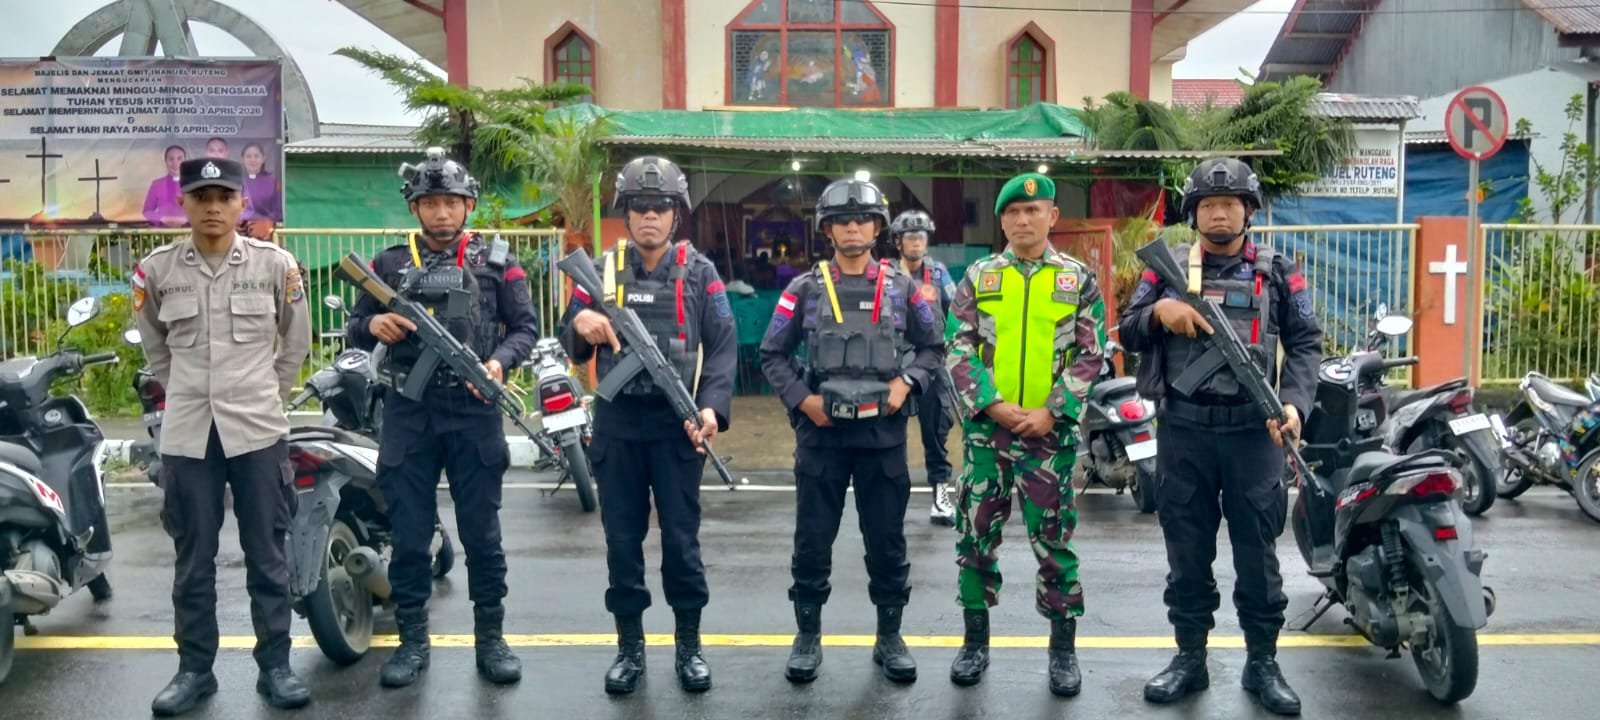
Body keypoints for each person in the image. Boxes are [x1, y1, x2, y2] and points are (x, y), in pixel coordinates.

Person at [1118, 157, 1322, 716]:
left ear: (1249, 211)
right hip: (1184, 434)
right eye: (1208, 205)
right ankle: (1190, 658)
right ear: (1194, 213)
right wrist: (1160, 312)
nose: (1219, 214)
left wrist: (1294, 405)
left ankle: (1263, 663)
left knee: (1258, 556)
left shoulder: (1278, 270)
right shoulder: (1166, 272)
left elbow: (1306, 343)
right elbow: (1128, 328)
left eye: (1230, 204)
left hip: (1254, 436)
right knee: (1187, 553)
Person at [344, 148, 539, 689]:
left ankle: (491, 640)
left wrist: (499, 363)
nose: (442, 212)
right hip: (408, 411)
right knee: (409, 536)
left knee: (483, 536)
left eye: (451, 202)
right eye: (430, 203)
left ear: (468, 204)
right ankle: (412, 643)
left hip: (474, 411)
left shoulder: (497, 261)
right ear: (415, 208)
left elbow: (525, 326)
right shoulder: (388, 265)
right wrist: (374, 325)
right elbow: (355, 326)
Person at [134, 157, 313, 716]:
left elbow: (296, 344)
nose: (213, 207)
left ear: (241, 202)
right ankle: (194, 671)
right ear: (183, 203)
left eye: (224, 197)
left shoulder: (275, 265)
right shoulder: (158, 270)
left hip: (257, 431)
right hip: (189, 435)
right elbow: (155, 346)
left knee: (267, 554)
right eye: (201, 197)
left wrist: (264, 395)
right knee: (193, 559)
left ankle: (276, 667)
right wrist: (185, 391)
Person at [560, 155, 738, 695]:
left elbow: (723, 348)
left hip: (676, 425)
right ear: (627, 213)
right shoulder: (601, 271)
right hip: (618, 424)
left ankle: (689, 647)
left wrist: (711, 409)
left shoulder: (701, 273)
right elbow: (569, 336)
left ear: (676, 214)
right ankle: (629, 649)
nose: (650, 216)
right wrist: (580, 321)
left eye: (660, 207)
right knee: (621, 541)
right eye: (639, 207)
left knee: (681, 542)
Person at [759, 178, 945, 685]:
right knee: (812, 542)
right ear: (827, 230)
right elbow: (772, 354)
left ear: (878, 227)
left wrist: (907, 382)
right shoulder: (804, 289)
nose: (852, 228)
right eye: (841, 220)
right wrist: (804, 400)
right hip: (821, 438)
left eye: (862, 219)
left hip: (882, 440)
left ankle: (890, 638)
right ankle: (807, 637)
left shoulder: (903, 288)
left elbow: (934, 347)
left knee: (887, 543)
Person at [944, 172, 1105, 698]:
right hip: (987, 435)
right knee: (974, 538)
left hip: (1048, 441)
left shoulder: (1077, 280)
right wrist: (992, 403)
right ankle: (974, 643)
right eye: (1012, 212)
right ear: (1002, 221)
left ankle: (1063, 651)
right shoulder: (980, 277)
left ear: (1052, 217)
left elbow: (1091, 353)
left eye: (1033, 211)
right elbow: (957, 345)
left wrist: (1053, 412)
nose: (1022, 220)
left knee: (1054, 542)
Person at [890, 209, 959, 526]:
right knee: (891, 434)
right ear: (898, 242)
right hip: (895, 364)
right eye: (910, 237)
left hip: (931, 363)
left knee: (936, 431)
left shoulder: (939, 274)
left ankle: (941, 495)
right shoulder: (886, 275)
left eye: (921, 237)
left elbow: (956, 312)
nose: (917, 243)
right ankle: (892, 499)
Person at [143, 145, 188, 227]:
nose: (175, 163)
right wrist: (161, 219)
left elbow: (201, 210)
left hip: (190, 231)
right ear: (165, 161)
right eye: (171, 159)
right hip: (162, 231)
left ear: (185, 161)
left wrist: (187, 219)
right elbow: (147, 211)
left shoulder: (193, 184)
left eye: (179, 158)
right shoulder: (157, 184)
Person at [240, 143, 282, 223]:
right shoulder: (237, 181)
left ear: (263, 159)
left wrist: (264, 220)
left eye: (256, 156)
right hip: (240, 227)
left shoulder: (273, 182)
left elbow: (279, 211)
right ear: (242, 159)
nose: (252, 160)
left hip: (266, 226)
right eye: (248, 156)